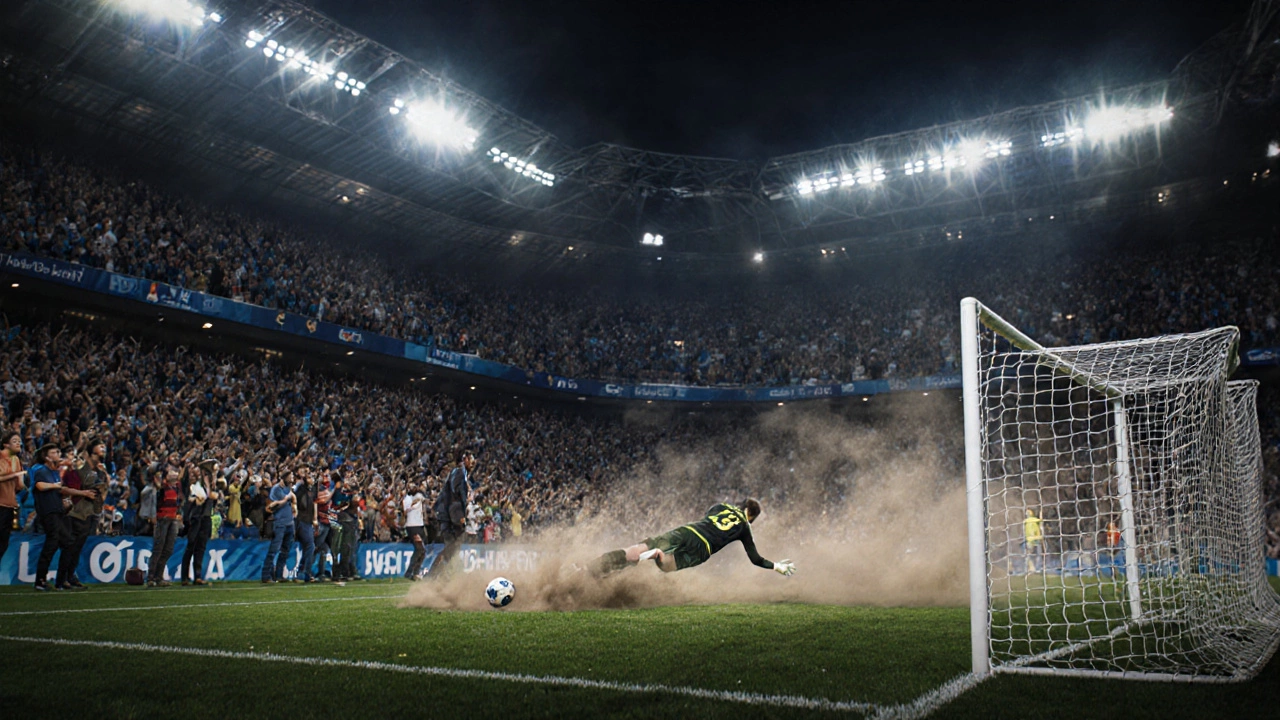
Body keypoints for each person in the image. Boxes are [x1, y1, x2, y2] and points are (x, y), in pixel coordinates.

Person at [589, 498, 795, 578]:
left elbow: (709, 515)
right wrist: (776, 566)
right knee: (666, 565)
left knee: (634, 550)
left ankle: (592, 568)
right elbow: (755, 559)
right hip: (702, 548)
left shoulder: (720, 506)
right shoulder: (745, 527)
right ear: (751, 516)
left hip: (689, 530)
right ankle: (658, 555)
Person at [30, 445, 96, 591]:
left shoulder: (54, 472)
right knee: (52, 544)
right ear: (46, 457)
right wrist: (55, 485)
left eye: (58, 451)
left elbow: (62, 489)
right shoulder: (42, 470)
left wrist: (83, 493)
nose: (58, 453)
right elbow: (40, 486)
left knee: (68, 542)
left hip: (58, 511)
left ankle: (61, 581)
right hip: (48, 512)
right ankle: (40, 581)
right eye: (54, 452)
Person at [66, 440, 109, 588]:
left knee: (78, 547)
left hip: (89, 513)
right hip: (75, 511)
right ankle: (64, 576)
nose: (103, 447)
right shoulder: (81, 467)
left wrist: (106, 482)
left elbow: (101, 496)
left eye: (104, 445)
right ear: (91, 451)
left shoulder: (100, 472)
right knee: (70, 546)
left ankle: (70, 575)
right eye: (100, 445)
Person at [424, 450, 473, 579]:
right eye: (471, 459)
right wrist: (459, 516)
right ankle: (434, 574)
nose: (473, 462)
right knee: (452, 545)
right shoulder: (459, 473)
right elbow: (454, 495)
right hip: (450, 514)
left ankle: (439, 574)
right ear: (464, 460)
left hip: (447, 513)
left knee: (453, 546)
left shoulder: (459, 473)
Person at [180, 459, 218, 586]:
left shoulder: (208, 487)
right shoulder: (195, 487)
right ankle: (184, 577)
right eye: (206, 473)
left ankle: (197, 576)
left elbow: (214, 497)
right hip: (196, 518)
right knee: (191, 546)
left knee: (201, 547)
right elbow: (200, 499)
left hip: (206, 518)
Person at [148, 464, 183, 587]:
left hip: (173, 519)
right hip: (163, 519)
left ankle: (158, 577)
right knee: (158, 548)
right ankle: (151, 577)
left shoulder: (176, 488)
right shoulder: (163, 487)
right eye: (171, 472)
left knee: (168, 549)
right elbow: (155, 475)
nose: (174, 473)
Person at [261, 474, 296, 583]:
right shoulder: (276, 489)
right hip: (279, 523)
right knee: (274, 550)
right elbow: (272, 506)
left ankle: (279, 575)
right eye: (290, 477)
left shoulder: (288, 488)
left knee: (285, 550)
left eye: (292, 477)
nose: (292, 479)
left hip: (290, 522)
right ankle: (266, 575)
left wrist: (294, 507)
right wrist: (285, 499)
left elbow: (293, 500)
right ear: (283, 477)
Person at [0, 431, 26, 563]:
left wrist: (21, 482)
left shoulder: (16, 460)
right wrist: (15, 475)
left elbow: (18, 486)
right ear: (6, 444)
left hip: (10, 505)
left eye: (19, 441)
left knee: (3, 542)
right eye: (15, 441)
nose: (19, 443)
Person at [293, 467, 318, 583]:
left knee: (308, 547)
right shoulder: (301, 489)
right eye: (308, 477)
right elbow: (301, 503)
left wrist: (314, 518)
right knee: (310, 546)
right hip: (301, 521)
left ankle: (302, 573)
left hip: (308, 522)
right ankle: (305, 573)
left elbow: (314, 504)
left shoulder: (312, 490)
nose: (311, 479)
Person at [402, 482, 428, 579]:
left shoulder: (419, 495)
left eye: (414, 486)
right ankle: (410, 573)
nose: (414, 488)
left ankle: (415, 572)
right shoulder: (407, 499)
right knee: (419, 549)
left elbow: (423, 499)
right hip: (412, 526)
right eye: (411, 487)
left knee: (422, 551)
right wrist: (414, 503)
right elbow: (405, 511)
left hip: (419, 525)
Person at [1024, 509, 1043, 574]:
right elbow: (1041, 521)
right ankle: (1036, 568)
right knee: (1037, 554)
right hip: (1036, 539)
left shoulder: (1025, 521)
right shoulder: (1035, 520)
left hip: (1030, 539)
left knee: (1029, 554)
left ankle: (1030, 568)